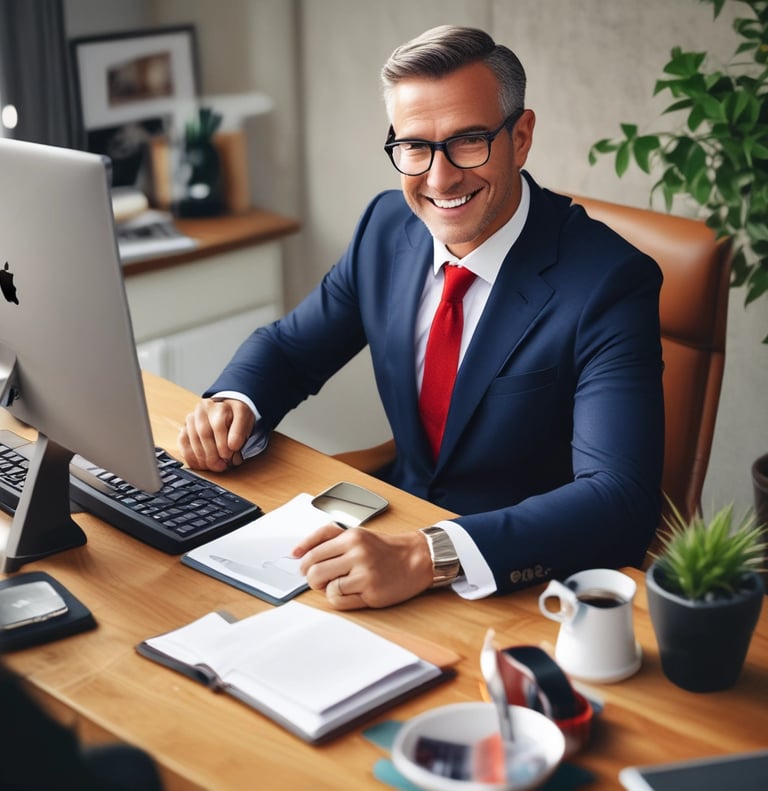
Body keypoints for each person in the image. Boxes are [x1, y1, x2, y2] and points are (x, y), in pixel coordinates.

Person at [178, 25, 664, 610]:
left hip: (523, 586)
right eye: (414, 146)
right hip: (388, 535)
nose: (439, 178)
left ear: (522, 136)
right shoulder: (386, 228)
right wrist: (236, 404)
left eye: (468, 141)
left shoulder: (609, 282)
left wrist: (427, 555)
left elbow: (619, 499)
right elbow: (289, 349)